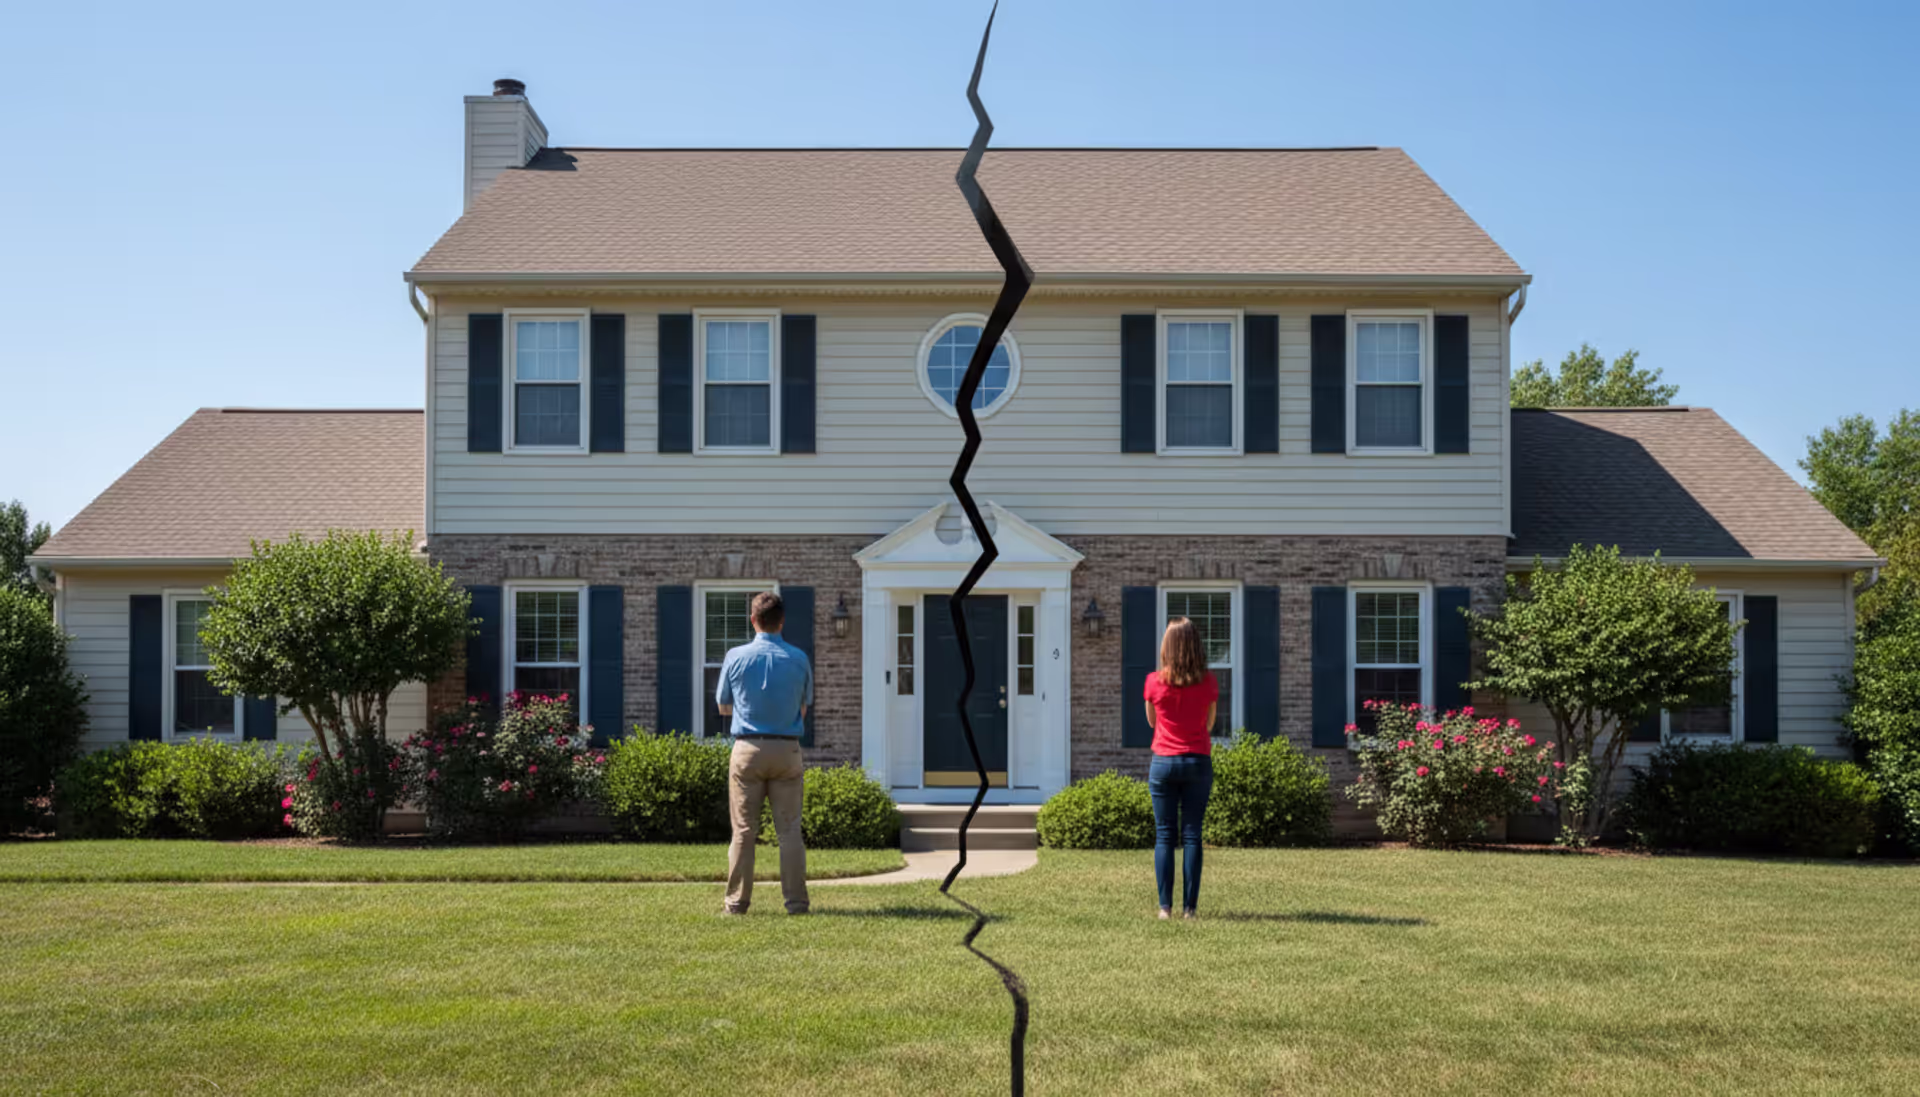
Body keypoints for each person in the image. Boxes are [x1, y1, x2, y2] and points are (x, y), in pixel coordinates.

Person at [716, 591, 814, 915]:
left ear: (753, 620)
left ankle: (736, 904)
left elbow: (722, 705)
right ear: (782, 621)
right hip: (787, 749)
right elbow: (804, 707)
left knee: (744, 830)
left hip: (748, 748)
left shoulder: (735, 656)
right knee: (789, 831)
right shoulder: (799, 658)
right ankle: (797, 903)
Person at [1142, 616, 1218, 921]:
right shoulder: (1209, 682)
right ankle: (1190, 910)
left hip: (1163, 763)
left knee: (1164, 836)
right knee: (1192, 836)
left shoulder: (1153, 681)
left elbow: (1151, 722)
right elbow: (1209, 724)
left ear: (1167, 647)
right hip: (1198, 761)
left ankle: (1164, 908)